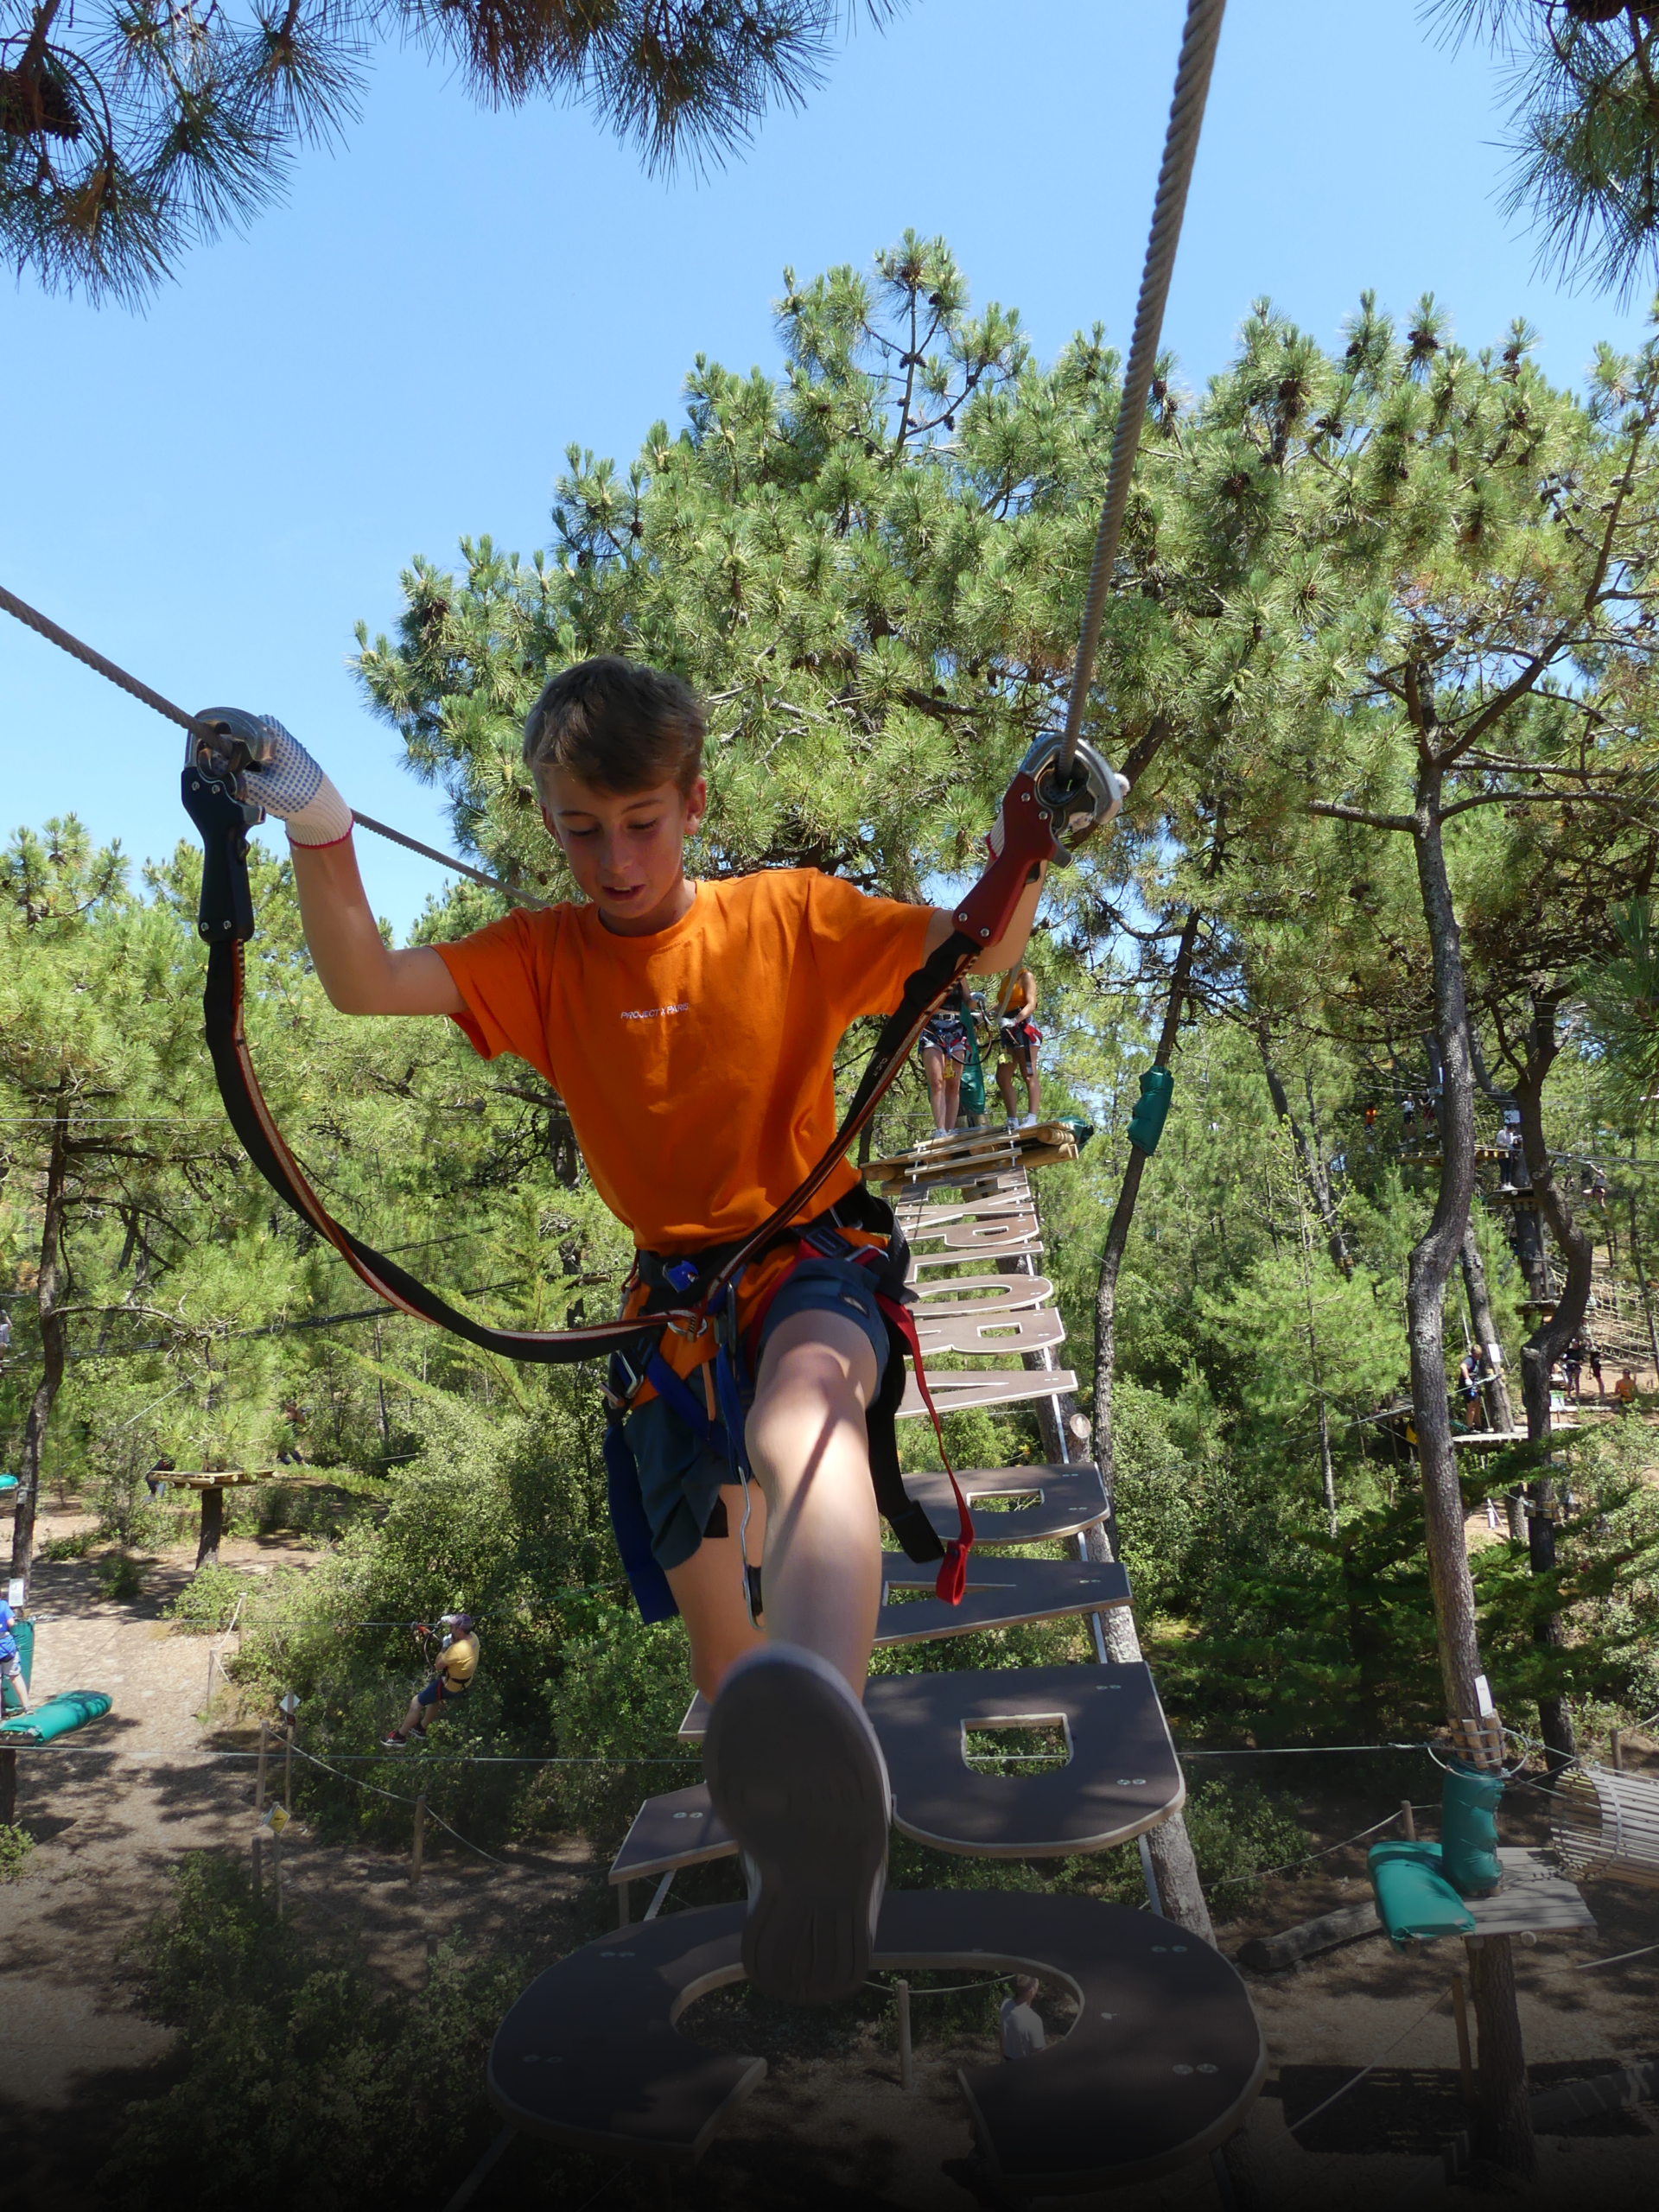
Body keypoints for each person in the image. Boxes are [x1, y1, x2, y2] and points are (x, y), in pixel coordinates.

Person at [240, 658, 1051, 2005]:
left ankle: (826, 1746)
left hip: (806, 1254)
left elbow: (972, 944)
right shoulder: (544, 959)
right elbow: (364, 981)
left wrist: (1028, 842)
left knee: (807, 1417)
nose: (613, 861)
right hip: (671, 1315)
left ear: (693, 805)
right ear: (549, 819)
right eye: (579, 830)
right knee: (716, 1643)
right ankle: (788, 1852)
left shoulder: (785, 918)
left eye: (641, 824)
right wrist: (318, 822)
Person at [382, 1613, 480, 1747]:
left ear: (459, 1630)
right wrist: (449, 1621)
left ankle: (399, 1737)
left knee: (417, 1702)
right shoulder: (473, 1638)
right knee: (434, 1698)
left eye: (451, 1626)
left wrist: (445, 1646)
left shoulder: (457, 1650)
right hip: (463, 1684)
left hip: (450, 1686)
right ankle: (421, 1728)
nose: (450, 1628)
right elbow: (457, 1642)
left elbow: (438, 1665)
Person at [918, 982, 970, 1138]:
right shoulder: (928, 970)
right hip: (931, 1026)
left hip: (955, 1027)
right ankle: (940, 1130)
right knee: (937, 1082)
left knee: (954, 1084)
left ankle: (950, 1129)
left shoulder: (961, 972)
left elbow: (969, 1001)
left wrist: (975, 999)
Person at [995, 967, 1043, 1129]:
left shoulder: (1026, 976)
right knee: (1002, 1076)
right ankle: (1012, 1119)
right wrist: (983, 1015)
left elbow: (1031, 1004)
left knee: (1028, 1073)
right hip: (1008, 1031)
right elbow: (1002, 1004)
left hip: (1024, 1028)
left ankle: (1031, 1118)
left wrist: (1015, 1020)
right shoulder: (1006, 979)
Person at [999, 1974, 1046, 2061]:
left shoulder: (1005, 2005)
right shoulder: (1034, 2020)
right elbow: (1040, 2055)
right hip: (1024, 2069)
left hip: (1005, 2064)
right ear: (1031, 1991)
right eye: (1036, 1981)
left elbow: (1001, 2037)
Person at [0, 1595, 31, 1716]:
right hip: (7, 1647)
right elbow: (11, 1623)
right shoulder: (3, 1605)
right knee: (15, 1676)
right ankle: (27, 1706)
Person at [1456, 1352, 1488, 1432]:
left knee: (1477, 1405)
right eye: (1476, 1356)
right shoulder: (1469, 1359)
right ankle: (1470, 1428)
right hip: (1468, 1388)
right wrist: (1467, 1379)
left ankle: (1478, 1426)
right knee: (1471, 1407)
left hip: (1475, 1386)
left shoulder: (1476, 1360)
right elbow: (1463, 1366)